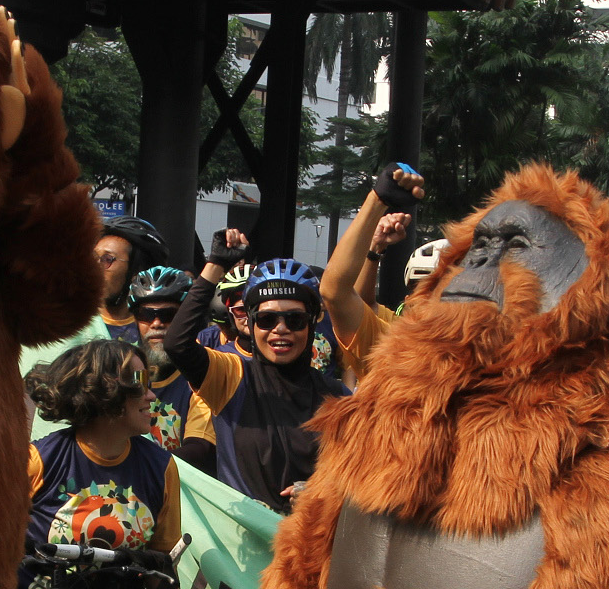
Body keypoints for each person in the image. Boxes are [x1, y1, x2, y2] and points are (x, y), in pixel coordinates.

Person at [21, 339, 193, 589]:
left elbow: (162, 559)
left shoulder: (162, 467)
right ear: (104, 393)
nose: (151, 395)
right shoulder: (38, 461)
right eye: (139, 381)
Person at [165, 232, 347, 509]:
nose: (280, 329)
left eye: (295, 320)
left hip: (309, 542)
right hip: (242, 543)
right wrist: (215, 265)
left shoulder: (337, 396)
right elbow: (177, 343)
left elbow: (362, 476)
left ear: (313, 322)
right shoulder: (232, 375)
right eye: (266, 319)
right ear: (249, 322)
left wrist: (324, 491)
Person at [320, 165, 421, 379]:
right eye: (420, 287)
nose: (432, 299)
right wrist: (377, 202)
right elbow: (337, 294)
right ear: (408, 299)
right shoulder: (398, 344)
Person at [123, 265, 215, 468]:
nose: (156, 323)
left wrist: (141, 465)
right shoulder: (121, 371)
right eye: (146, 314)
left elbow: (200, 448)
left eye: (168, 315)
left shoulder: (202, 373)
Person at [94, 215, 167, 345]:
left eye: (107, 259)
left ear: (137, 272)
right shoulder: (68, 326)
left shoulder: (157, 330)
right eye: (93, 258)